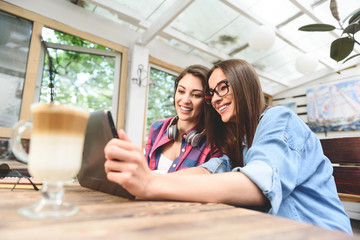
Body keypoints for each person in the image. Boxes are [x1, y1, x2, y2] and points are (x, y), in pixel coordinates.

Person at [104, 59, 352, 234]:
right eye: (212, 93)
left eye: (224, 87)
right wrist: (147, 177)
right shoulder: (240, 142)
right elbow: (209, 170)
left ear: (245, 84)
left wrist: (150, 184)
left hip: (317, 231)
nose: (217, 98)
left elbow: (257, 185)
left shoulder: (279, 119)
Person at [145, 65, 222, 173]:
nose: (185, 100)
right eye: (181, 91)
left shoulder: (214, 145)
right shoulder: (157, 128)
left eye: (196, 95)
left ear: (207, 101)